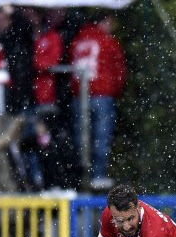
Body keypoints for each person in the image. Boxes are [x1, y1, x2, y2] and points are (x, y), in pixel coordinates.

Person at [69, 12, 125, 191]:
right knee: (102, 137)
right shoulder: (108, 42)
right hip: (102, 94)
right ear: (104, 22)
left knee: (82, 138)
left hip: (80, 96)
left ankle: (81, 175)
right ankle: (98, 174)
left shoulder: (78, 40)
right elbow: (118, 69)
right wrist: (115, 89)